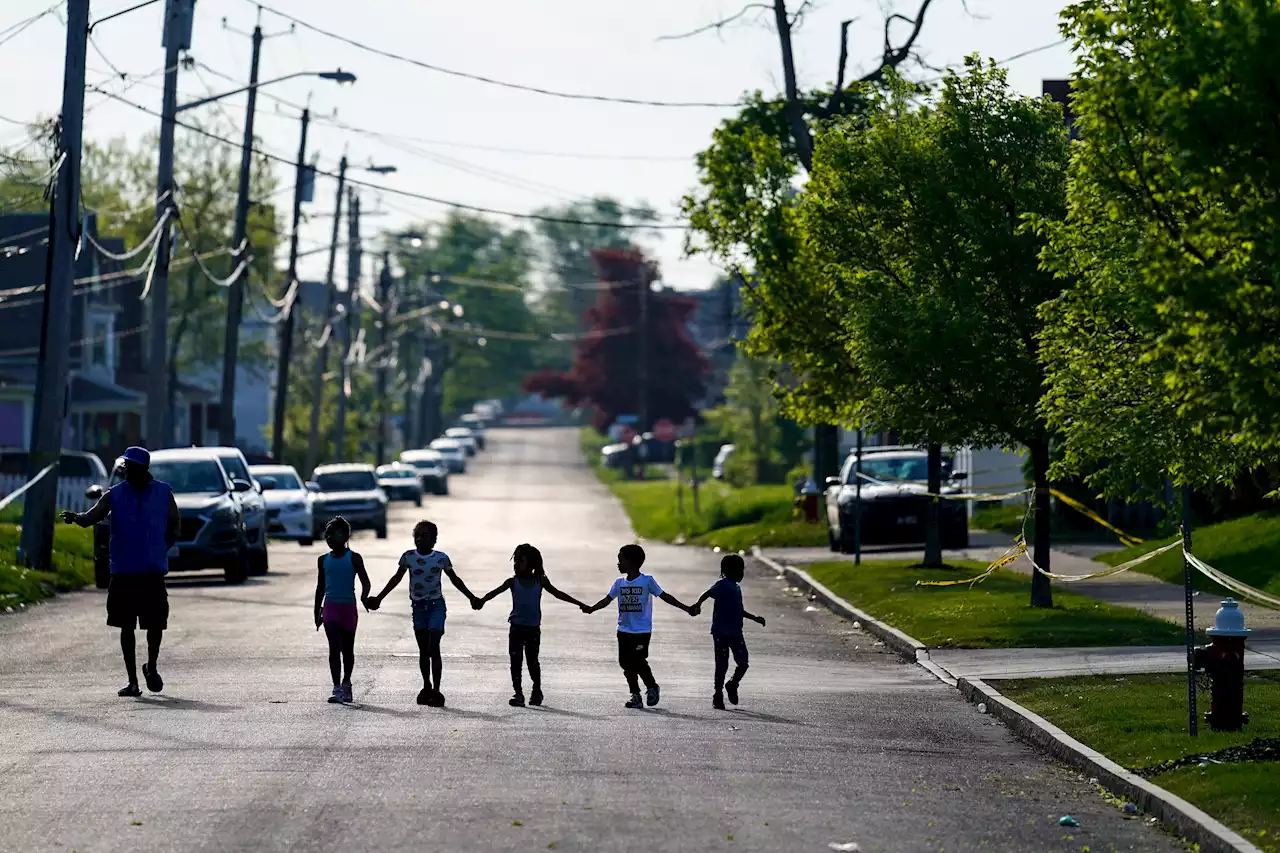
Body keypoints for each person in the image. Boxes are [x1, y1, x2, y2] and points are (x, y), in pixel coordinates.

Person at [61, 446, 180, 697]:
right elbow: (92, 517)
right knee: (135, 625)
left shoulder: (158, 493)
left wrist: (162, 547)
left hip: (143, 571)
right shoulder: (119, 494)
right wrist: (75, 518)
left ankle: (148, 671)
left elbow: (174, 525)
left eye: (129, 467)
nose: (127, 471)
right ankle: (136, 678)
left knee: (148, 625)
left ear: (139, 469)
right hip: (131, 571)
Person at [367, 520, 478, 707]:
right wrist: (379, 598)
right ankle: (426, 685)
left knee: (434, 647)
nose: (419, 539)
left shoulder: (441, 558)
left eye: (424, 536)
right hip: (418, 608)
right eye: (417, 536)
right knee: (423, 650)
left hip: (436, 607)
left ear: (434, 540)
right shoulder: (408, 557)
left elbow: (455, 579)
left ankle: (436, 689)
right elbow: (396, 578)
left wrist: (471, 597)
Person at [581, 543, 697, 709]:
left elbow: (665, 596)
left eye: (621, 560)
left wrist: (686, 608)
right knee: (625, 663)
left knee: (638, 661)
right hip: (623, 630)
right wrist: (592, 608)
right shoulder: (619, 583)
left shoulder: (647, 581)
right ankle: (635, 694)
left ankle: (651, 687)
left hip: (641, 631)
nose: (618, 564)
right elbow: (607, 600)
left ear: (632, 562)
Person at [473, 543, 588, 707]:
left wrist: (579, 603)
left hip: (533, 629)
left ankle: (536, 689)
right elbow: (494, 593)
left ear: (532, 564)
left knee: (532, 660)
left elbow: (559, 594)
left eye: (521, 560)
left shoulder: (539, 581)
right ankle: (518, 693)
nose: (516, 564)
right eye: (515, 560)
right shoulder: (512, 582)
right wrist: (481, 601)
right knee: (515, 660)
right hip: (516, 627)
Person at [691, 554, 766, 710]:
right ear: (729, 571)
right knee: (722, 664)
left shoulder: (736, 588)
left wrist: (754, 618)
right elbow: (707, 594)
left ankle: (732, 684)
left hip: (736, 631)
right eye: (740, 570)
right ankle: (717, 694)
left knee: (743, 662)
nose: (742, 574)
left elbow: (739, 610)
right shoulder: (723, 585)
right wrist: (698, 604)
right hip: (720, 632)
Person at [313, 516, 372, 704]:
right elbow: (320, 587)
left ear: (346, 536)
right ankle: (336, 686)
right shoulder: (322, 560)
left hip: (348, 609)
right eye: (327, 534)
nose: (329, 538)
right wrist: (316, 611)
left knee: (347, 649)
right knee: (334, 648)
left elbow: (365, 581)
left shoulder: (354, 558)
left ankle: (347, 682)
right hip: (330, 608)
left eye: (334, 533)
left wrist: (364, 596)